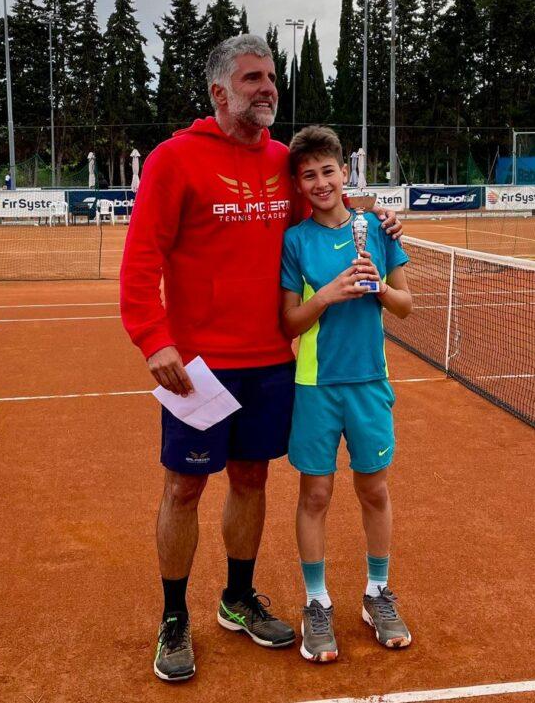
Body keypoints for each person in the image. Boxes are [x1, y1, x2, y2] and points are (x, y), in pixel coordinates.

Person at [119, 36, 401, 682]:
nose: (267, 86)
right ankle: (173, 615)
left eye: (271, 76)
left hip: (272, 361)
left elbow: (329, 216)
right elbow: (140, 259)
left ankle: (237, 596)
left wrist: (375, 216)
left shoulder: (285, 163)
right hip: (197, 368)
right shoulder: (173, 160)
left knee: (251, 481)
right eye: (253, 78)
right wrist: (153, 337)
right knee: (184, 486)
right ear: (220, 92)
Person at [279, 126, 413, 663]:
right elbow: (289, 322)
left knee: (374, 491)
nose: (320, 182)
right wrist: (330, 295)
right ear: (299, 183)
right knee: (315, 496)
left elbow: (405, 305)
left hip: (369, 382)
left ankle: (377, 592)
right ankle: (317, 602)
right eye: (308, 175)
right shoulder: (295, 241)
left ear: (344, 172)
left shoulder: (378, 228)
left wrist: (376, 284)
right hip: (315, 386)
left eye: (327, 171)